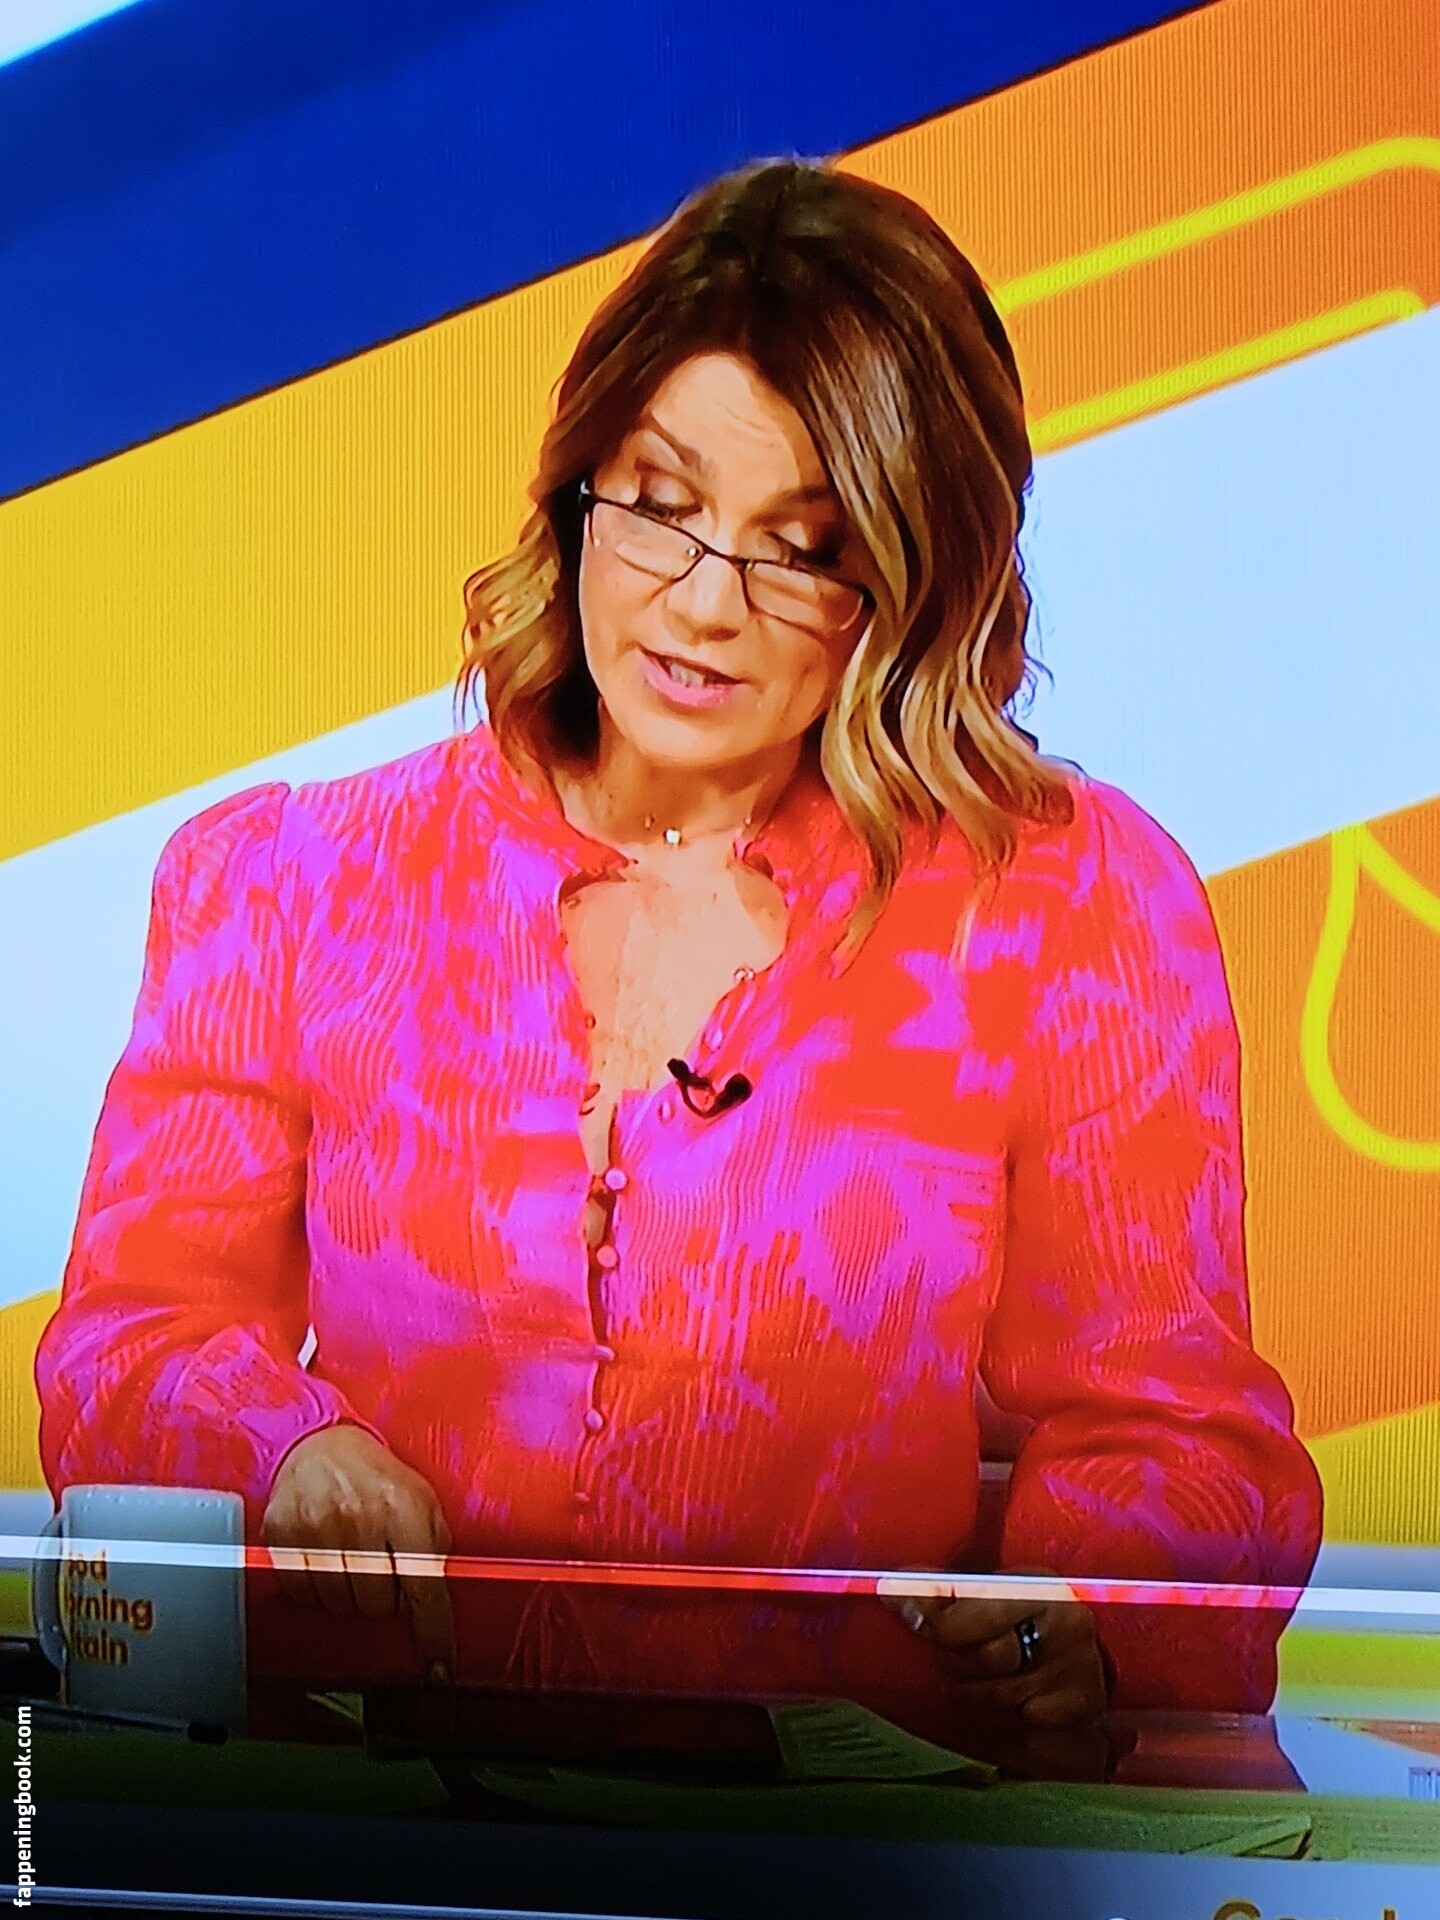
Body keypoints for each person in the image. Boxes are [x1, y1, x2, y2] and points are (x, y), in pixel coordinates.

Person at [36, 157, 1322, 1732]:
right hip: (390, 1797)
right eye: (659, 506)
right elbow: (127, 1348)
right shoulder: (288, 887)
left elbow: (1180, 1439)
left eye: (803, 546)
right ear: (578, 489)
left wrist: (1090, 1617)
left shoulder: (1067, 906)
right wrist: (281, 1446)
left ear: (909, 585)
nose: (706, 604)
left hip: (847, 1818)